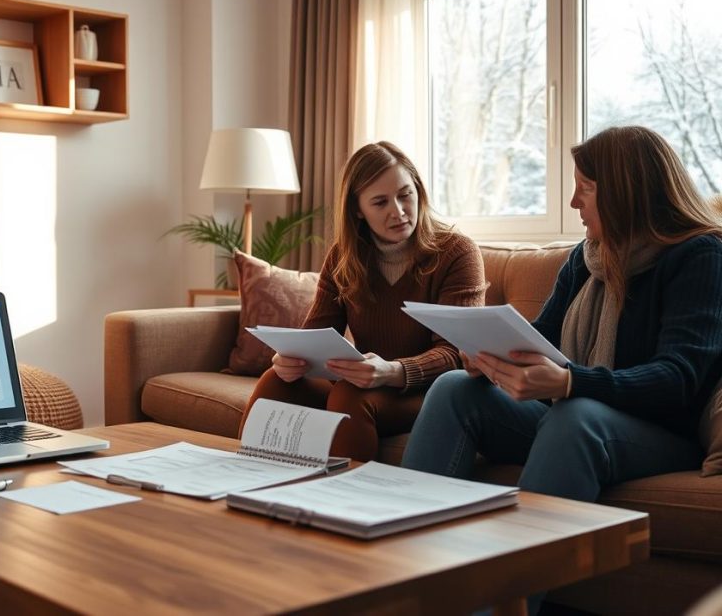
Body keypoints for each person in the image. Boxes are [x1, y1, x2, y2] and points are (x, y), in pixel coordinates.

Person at [402, 125, 722, 508]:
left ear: (625, 190)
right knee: (455, 388)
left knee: (576, 415)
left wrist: (571, 383)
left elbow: (677, 378)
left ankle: (523, 565)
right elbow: (543, 339)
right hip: (574, 415)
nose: (573, 202)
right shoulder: (586, 258)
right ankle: (407, 538)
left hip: (662, 433)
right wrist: (491, 356)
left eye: (585, 188)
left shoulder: (700, 257)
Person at [238, 141, 486, 462]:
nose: (397, 211)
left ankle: (349, 502)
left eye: (405, 194)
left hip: (432, 392)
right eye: (380, 202)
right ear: (358, 209)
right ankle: (248, 482)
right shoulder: (345, 256)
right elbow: (315, 335)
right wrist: (290, 359)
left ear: (419, 191)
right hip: (368, 381)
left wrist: (391, 371)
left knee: (351, 394)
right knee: (276, 381)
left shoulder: (457, 253)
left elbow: (456, 354)